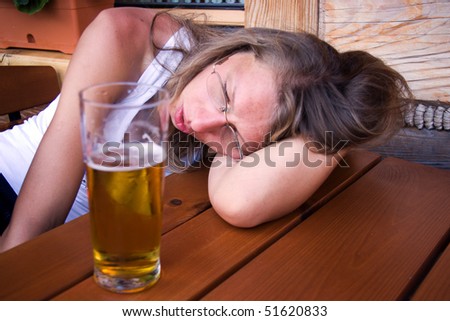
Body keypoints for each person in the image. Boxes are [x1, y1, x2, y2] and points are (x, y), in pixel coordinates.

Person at [0, 7, 412, 252]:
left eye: (232, 134)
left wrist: (335, 129)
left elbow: (239, 201)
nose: (202, 123)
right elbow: (32, 227)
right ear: (234, 50)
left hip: (84, 248)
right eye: (225, 93)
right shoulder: (128, 38)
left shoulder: (244, 134)